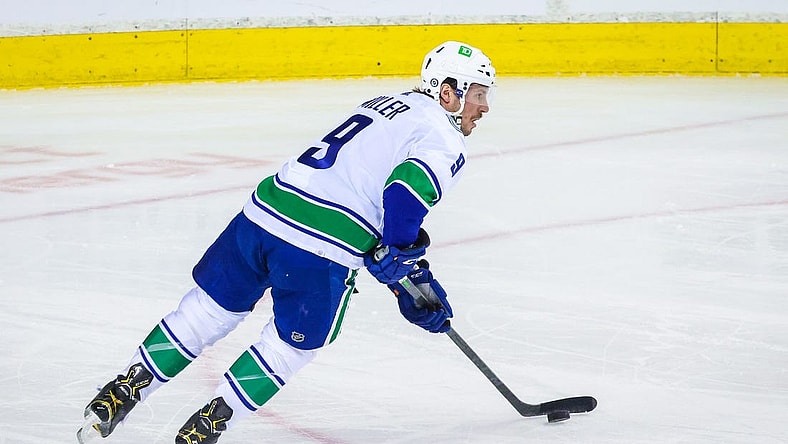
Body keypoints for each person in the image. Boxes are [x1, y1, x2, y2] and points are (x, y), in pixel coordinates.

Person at [78, 40, 496, 444]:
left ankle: (119, 392)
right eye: (478, 93)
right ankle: (209, 423)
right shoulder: (443, 137)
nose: (485, 107)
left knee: (206, 311)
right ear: (448, 93)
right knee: (291, 346)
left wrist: (403, 268)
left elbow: (363, 184)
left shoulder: (384, 103)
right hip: (320, 247)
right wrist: (404, 266)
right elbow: (403, 196)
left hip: (264, 212)